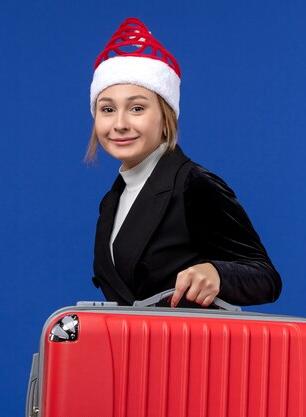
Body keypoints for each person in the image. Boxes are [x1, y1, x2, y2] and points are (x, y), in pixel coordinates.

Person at [87, 18, 281, 307]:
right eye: (107, 109)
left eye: (137, 108)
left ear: (166, 118)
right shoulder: (111, 201)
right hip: (128, 349)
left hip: (188, 349)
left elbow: (266, 278)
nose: (119, 123)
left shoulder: (193, 184)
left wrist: (217, 273)